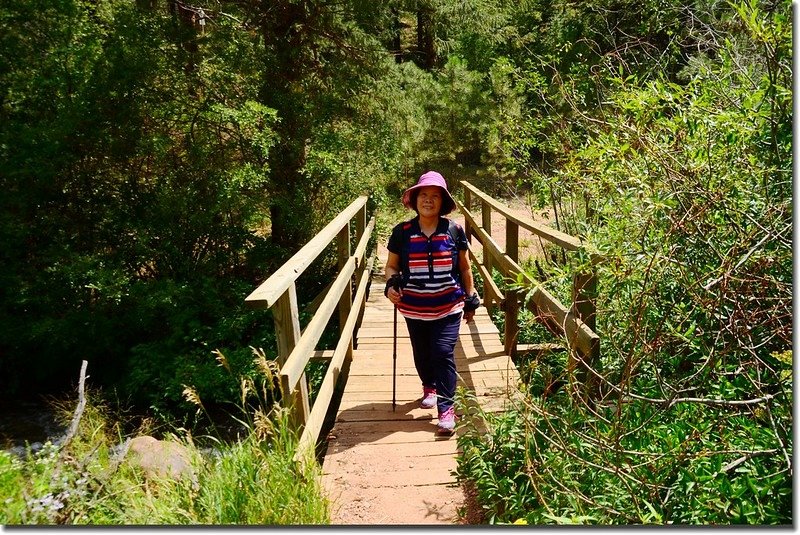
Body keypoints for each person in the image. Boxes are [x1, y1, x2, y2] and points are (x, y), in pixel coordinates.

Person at [384, 171, 481, 432]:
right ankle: (429, 385)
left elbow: (464, 268)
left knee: (442, 352)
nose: (428, 200)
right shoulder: (402, 232)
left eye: (435, 196)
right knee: (422, 352)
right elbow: (391, 267)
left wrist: (470, 297)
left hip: (449, 305)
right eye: (423, 195)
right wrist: (391, 285)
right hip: (413, 307)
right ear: (415, 200)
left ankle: (446, 408)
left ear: (443, 201)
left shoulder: (454, 230)